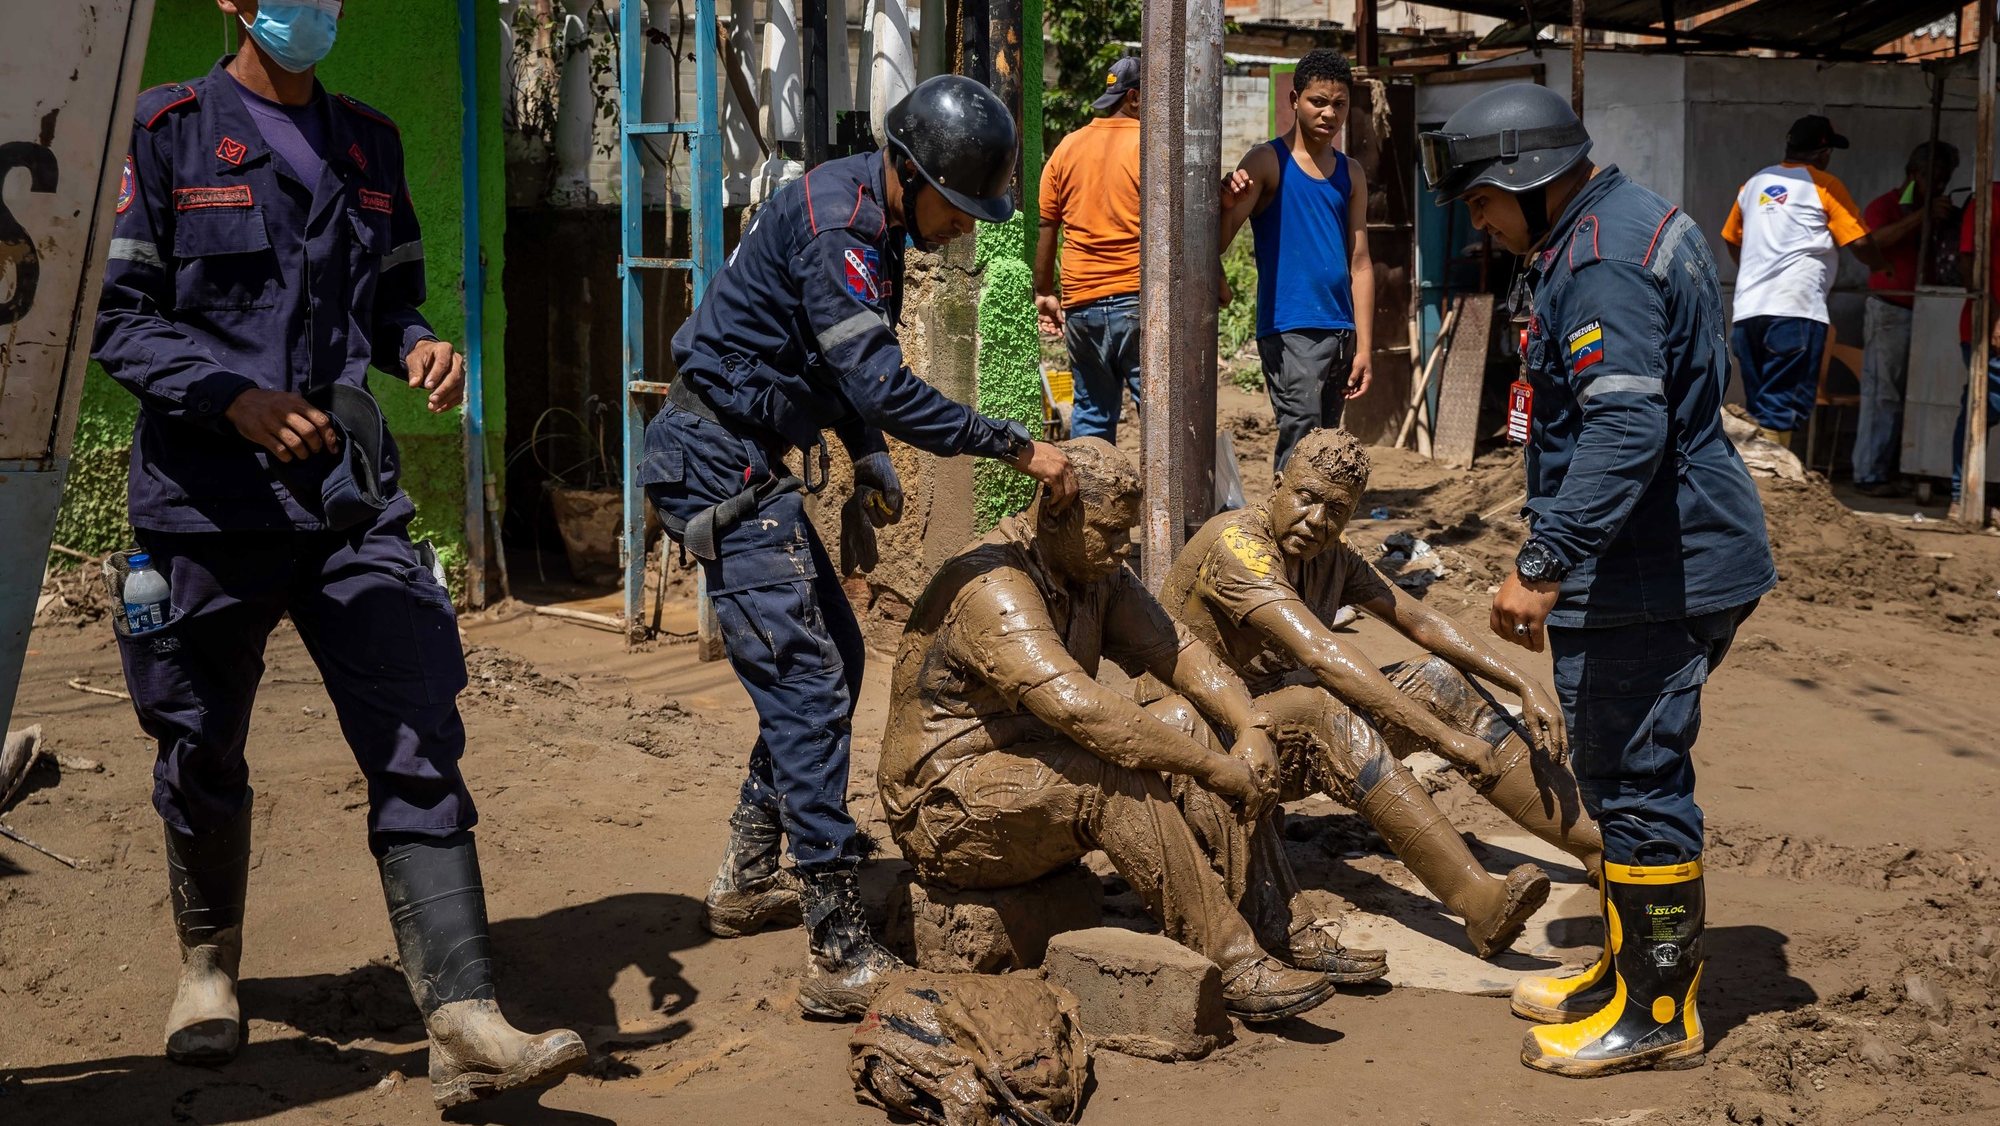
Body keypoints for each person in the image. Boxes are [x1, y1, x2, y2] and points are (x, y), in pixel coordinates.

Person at [91, 1, 584, 1107]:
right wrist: (235, 400)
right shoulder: (164, 131)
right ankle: (210, 965)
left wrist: (419, 347)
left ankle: (462, 1018)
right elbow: (118, 318)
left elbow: (389, 304)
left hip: (343, 505)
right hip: (204, 510)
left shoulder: (370, 141)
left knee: (416, 726)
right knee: (200, 747)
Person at [641, 74, 1077, 1020]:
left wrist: (868, 454)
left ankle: (747, 872)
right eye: (956, 210)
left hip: (743, 451)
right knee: (805, 682)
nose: (963, 230)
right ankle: (837, 947)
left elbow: (826, 359)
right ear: (910, 171)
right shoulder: (843, 228)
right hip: (717, 461)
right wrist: (1018, 444)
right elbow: (877, 380)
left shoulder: (867, 215)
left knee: (828, 659)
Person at [1423, 83, 1776, 1076]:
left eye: (1484, 199)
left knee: (1635, 780)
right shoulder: (1624, 221)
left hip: (1653, 567)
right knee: (1624, 776)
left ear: (1530, 180)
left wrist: (1541, 563)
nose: (1480, 222)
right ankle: (1629, 977)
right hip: (1668, 550)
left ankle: (1657, 1011)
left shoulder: (1597, 260)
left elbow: (1626, 428)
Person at [879, 439, 1353, 1023]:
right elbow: (1087, 714)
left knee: (1190, 719)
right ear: (1055, 513)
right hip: (947, 808)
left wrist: (1246, 723)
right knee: (1110, 775)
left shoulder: (1095, 569)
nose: (1122, 547)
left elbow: (1177, 649)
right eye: (1109, 531)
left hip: (1032, 766)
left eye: (1127, 531)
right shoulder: (992, 586)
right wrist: (1212, 767)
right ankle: (1232, 962)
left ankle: (1274, 919)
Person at [1161, 429, 1604, 960]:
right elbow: (1324, 654)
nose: (1316, 520)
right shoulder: (1238, 547)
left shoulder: (1332, 555)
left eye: (1336, 510)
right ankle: (1479, 902)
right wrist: (1443, 740)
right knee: (1321, 708)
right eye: (1305, 497)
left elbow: (1418, 618)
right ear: (1277, 485)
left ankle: (1596, 850)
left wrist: (1522, 683)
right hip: (1193, 744)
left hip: (1267, 729)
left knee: (1435, 679)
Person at [1219, 49, 1374, 471]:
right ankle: (1286, 534)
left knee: (1328, 449)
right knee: (1301, 441)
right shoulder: (1267, 161)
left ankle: (1317, 537)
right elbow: (1218, 240)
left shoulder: (1351, 173)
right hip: (1290, 329)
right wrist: (1225, 202)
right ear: (1294, 101)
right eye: (1317, 102)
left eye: (1339, 104)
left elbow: (1360, 262)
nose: (1329, 113)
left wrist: (1363, 346)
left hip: (1340, 331)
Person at [1722, 115, 1897, 448]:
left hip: (1748, 314)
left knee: (1760, 407)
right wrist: (1881, 264)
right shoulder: (1824, 185)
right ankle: (1773, 487)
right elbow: (1859, 242)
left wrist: (1756, 265)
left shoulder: (1753, 184)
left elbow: (1731, 238)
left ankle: (1758, 483)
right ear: (1823, 153)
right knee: (1781, 408)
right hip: (1795, 310)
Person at [1035, 55, 1144, 442]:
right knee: (1160, 420)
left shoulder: (1068, 147)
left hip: (1081, 306)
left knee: (1093, 415)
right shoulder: (1148, 148)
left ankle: (1092, 501)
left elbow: (1047, 224)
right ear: (1132, 97)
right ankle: (1163, 505)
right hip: (1137, 302)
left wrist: (1045, 291)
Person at [1854, 143, 1960, 496]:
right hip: (1891, 308)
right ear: (1915, 174)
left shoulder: (1940, 209)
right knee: (1883, 394)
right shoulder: (1886, 206)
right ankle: (1870, 473)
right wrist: (1921, 216)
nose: (1941, 186)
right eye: (1934, 178)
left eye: (1945, 180)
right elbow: (1873, 244)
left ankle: (1917, 469)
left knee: (1929, 395)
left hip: (1932, 313)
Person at [1952, 178, 2000, 526]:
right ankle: (1961, 496)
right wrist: (1994, 318)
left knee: (1981, 407)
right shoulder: (1988, 199)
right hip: (1989, 327)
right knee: (1980, 408)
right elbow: (1968, 260)